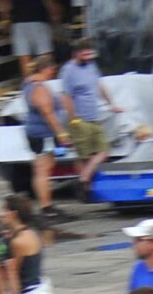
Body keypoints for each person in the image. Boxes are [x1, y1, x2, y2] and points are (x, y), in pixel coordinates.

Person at [60, 40, 117, 196]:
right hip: (80, 119)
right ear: (76, 54)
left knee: (103, 151)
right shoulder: (68, 70)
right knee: (83, 156)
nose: (88, 56)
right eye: (85, 53)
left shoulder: (91, 66)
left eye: (89, 53)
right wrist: (73, 119)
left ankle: (83, 178)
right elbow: (66, 96)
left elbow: (99, 86)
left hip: (94, 116)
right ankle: (86, 190)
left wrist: (111, 104)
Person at [21, 57, 69, 217]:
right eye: (52, 70)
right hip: (43, 133)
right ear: (45, 69)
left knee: (42, 167)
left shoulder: (29, 84)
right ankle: (45, 207)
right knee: (43, 169)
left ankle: (46, 205)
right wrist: (60, 132)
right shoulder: (39, 87)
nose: (53, 73)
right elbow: (47, 112)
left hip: (38, 132)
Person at [9, 0, 59, 78]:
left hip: (19, 23)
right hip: (39, 22)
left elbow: (5, 3)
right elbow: (50, 5)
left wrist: (4, 20)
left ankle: (30, 86)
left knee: (26, 64)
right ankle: (47, 85)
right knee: (46, 61)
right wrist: (56, 19)